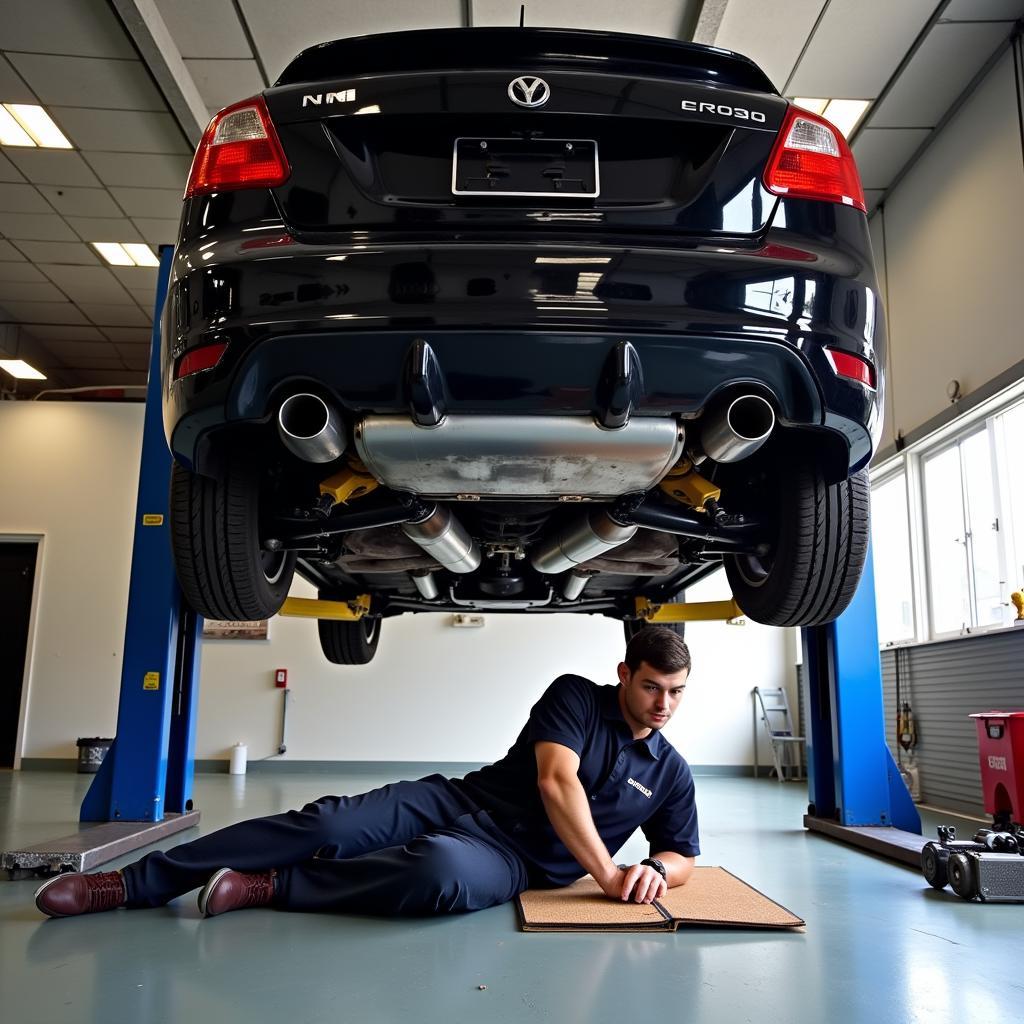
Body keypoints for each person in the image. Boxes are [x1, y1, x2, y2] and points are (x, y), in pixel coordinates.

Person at [35, 627, 698, 920]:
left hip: (517, 863)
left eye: (675, 691)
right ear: (624, 676)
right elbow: (557, 780)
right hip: (458, 799)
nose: (662, 704)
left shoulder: (671, 772)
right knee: (330, 820)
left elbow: (683, 851)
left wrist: (658, 870)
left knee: (438, 875)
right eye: (650, 687)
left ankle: (270, 887)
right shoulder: (577, 696)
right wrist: (610, 872)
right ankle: (126, 885)